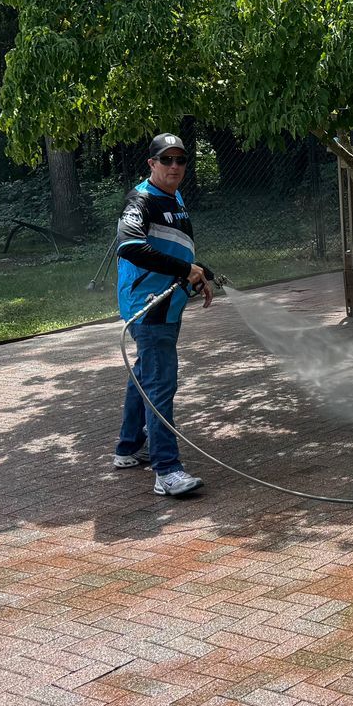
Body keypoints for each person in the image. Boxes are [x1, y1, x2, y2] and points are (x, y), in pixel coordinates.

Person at [111, 132, 214, 498]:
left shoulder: (174, 196)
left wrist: (196, 271)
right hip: (148, 305)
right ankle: (166, 470)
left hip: (168, 302)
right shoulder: (141, 200)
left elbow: (171, 245)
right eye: (165, 160)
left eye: (180, 160)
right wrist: (184, 270)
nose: (174, 166)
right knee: (161, 386)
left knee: (145, 375)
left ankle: (127, 448)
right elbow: (131, 246)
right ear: (151, 163)